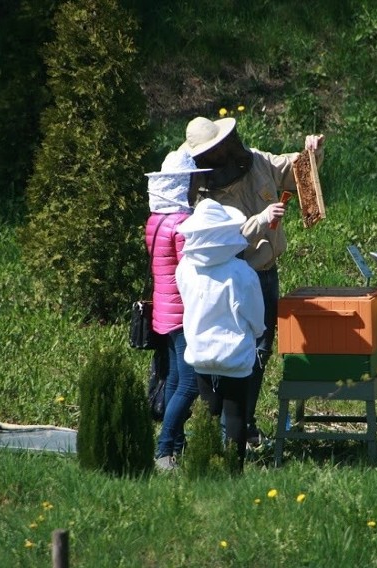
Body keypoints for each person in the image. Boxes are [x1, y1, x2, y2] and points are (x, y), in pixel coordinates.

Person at [183, 115, 324, 446]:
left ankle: (242, 423)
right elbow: (224, 238)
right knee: (229, 353)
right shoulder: (204, 195)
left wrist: (311, 153)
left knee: (259, 351)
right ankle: (222, 428)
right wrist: (260, 221)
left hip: (264, 271)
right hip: (230, 277)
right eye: (214, 151)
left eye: (224, 145)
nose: (223, 153)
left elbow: (293, 170)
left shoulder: (257, 160)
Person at [175, 198, 266, 471]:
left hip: (200, 351)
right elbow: (255, 315)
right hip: (234, 354)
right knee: (235, 413)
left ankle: (206, 463)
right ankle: (232, 471)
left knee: (209, 412)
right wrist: (258, 332)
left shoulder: (185, 268)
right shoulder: (241, 272)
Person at [144, 149, 211, 472]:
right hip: (183, 313)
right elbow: (191, 268)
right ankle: (163, 449)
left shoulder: (155, 221)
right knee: (188, 384)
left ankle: (175, 447)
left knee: (172, 380)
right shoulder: (182, 224)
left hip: (163, 312)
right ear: (182, 184)